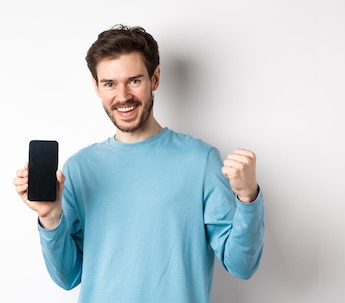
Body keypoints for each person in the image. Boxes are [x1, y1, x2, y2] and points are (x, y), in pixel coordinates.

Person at [12, 24, 265, 302]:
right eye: (110, 84)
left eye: (134, 81)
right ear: (96, 87)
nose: (122, 97)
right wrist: (50, 217)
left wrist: (247, 197)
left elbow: (242, 265)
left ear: (155, 79)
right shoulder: (79, 168)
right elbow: (67, 276)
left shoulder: (200, 161)